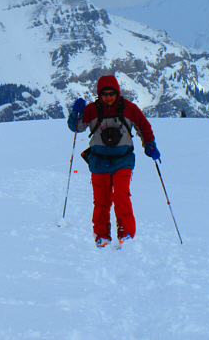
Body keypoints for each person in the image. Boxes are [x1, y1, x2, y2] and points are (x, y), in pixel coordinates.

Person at [67, 75, 160, 247]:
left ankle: (126, 232)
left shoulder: (130, 109)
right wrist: (75, 113)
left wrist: (150, 145)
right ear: (99, 94)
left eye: (111, 93)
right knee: (101, 200)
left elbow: (144, 127)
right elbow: (76, 127)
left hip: (123, 160)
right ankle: (102, 235)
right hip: (98, 162)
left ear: (117, 93)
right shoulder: (91, 110)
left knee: (121, 195)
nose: (108, 97)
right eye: (104, 94)